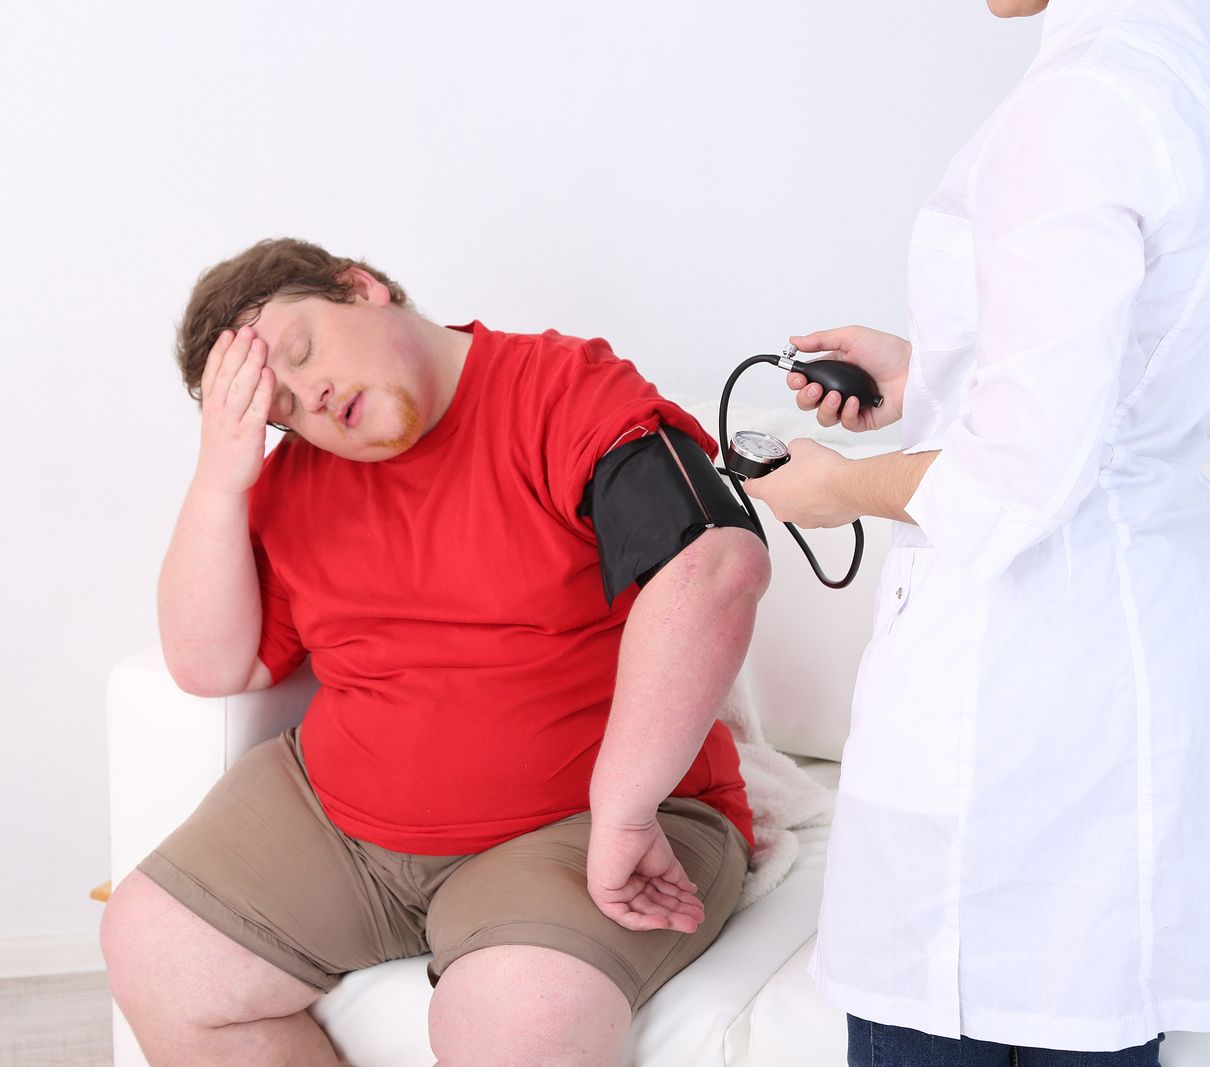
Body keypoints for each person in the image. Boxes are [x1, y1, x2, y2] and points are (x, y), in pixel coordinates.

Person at [101, 237, 772, 1066]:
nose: (310, 397)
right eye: (281, 409)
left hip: (585, 823)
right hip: (341, 822)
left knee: (518, 1019)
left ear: (363, 287)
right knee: (152, 946)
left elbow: (712, 564)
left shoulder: (561, 388)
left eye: (302, 350)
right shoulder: (296, 481)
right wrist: (220, 477)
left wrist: (626, 809)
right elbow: (211, 666)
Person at [742, 1, 1210, 1063]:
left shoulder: (1084, 98)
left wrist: (843, 489)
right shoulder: (1192, 66)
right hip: (1124, 661)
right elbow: (1161, 381)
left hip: (1020, 696)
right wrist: (937, 375)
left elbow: (1022, 471)